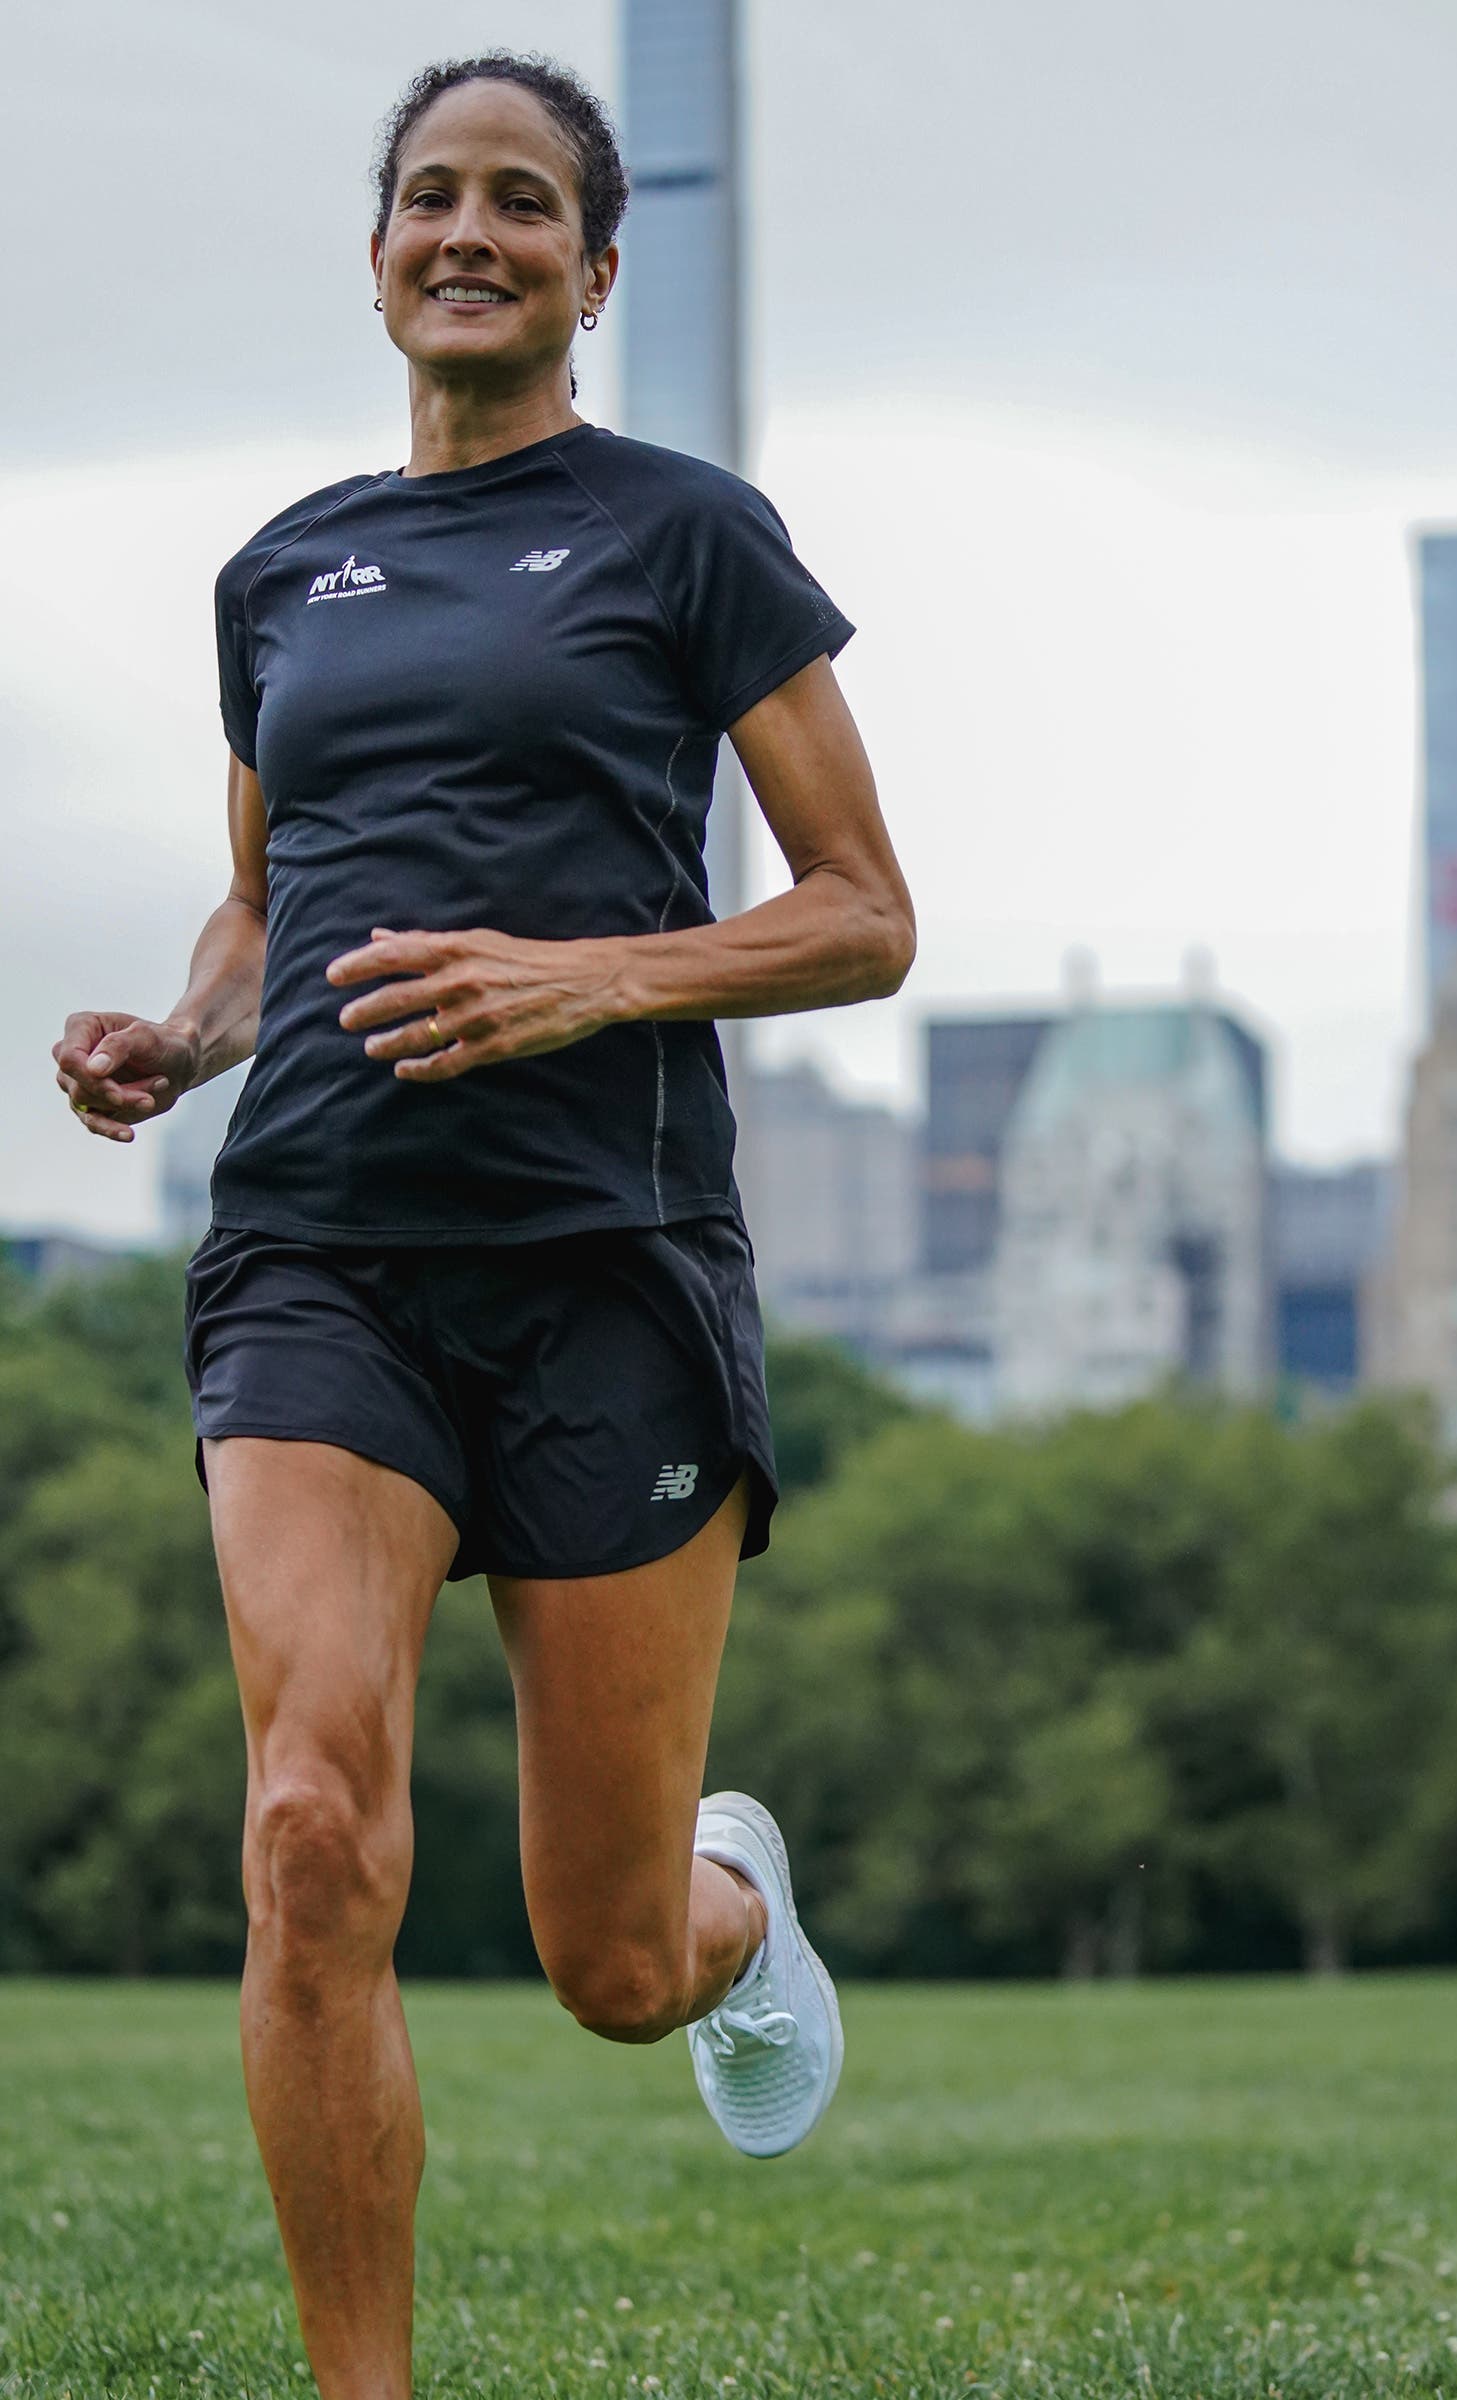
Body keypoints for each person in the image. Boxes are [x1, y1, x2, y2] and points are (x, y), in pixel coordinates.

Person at [50, 49, 914, 2400]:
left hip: (603, 1265)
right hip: (319, 1253)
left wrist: (590, 975)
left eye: (520, 203)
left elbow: (860, 918)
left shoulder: (684, 535)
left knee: (605, 1959)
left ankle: (738, 1926)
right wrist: (185, 1038)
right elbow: (263, 906)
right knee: (313, 1829)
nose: (469, 231)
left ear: (591, 269)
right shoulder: (279, 572)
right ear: (374, 257)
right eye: (429, 195)